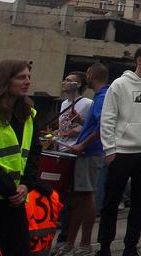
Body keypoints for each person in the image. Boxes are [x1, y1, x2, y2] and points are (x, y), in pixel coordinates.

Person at [97, 46, 141, 256]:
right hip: (122, 151)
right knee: (111, 202)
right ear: (139, 60)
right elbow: (108, 117)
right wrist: (109, 148)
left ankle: (131, 246)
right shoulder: (119, 84)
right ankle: (105, 246)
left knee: (139, 203)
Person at [0, 60, 44, 256]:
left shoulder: (29, 115)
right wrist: (12, 189)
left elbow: (34, 155)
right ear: (4, 80)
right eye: (21, 77)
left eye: (29, 77)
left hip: (13, 199)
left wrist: (26, 185)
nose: (28, 82)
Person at [60, 63, 109, 256]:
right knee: (79, 198)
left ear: (88, 76)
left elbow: (102, 126)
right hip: (85, 153)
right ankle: (72, 243)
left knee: (86, 196)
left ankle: (84, 244)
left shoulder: (99, 98)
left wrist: (82, 144)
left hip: (90, 153)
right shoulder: (99, 97)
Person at [53, 72, 92, 150]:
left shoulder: (88, 103)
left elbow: (94, 126)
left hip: (75, 148)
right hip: (62, 148)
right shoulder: (64, 104)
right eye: (64, 80)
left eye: (68, 80)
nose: (64, 83)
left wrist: (80, 129)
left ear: (78, 84)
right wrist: (59, 132)